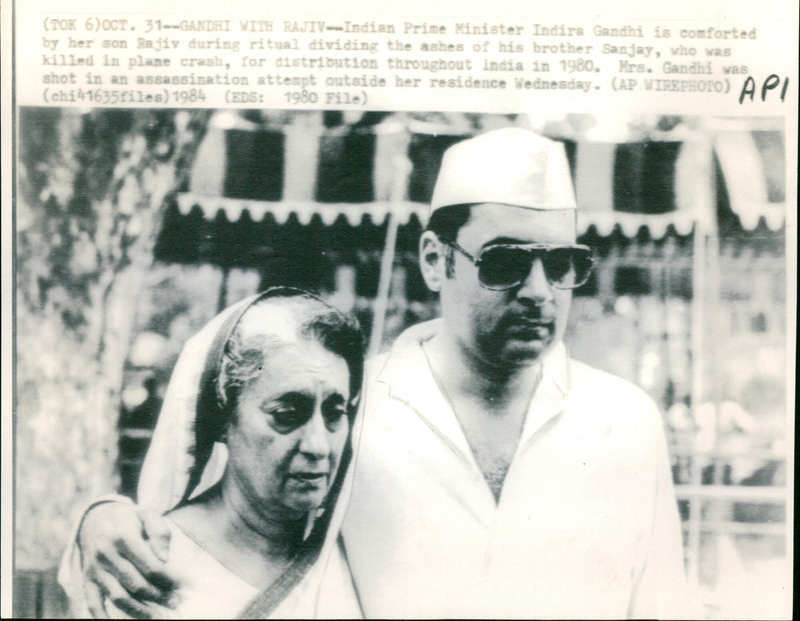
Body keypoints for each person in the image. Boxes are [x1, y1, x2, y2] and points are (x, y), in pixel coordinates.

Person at [66, 128, 695, 618]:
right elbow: (220, 533)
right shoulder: (349, 409)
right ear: (433, 259)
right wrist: (101, 521)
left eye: (562, 263)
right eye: (505, 262)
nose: (539, 291)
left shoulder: (624, 420)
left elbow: (665, 605)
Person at [60, 287, 365, 619]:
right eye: (287, 414)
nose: (318, 445)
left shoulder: (358, 558)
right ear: (221, 418)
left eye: (335, 413)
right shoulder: (141, 565)